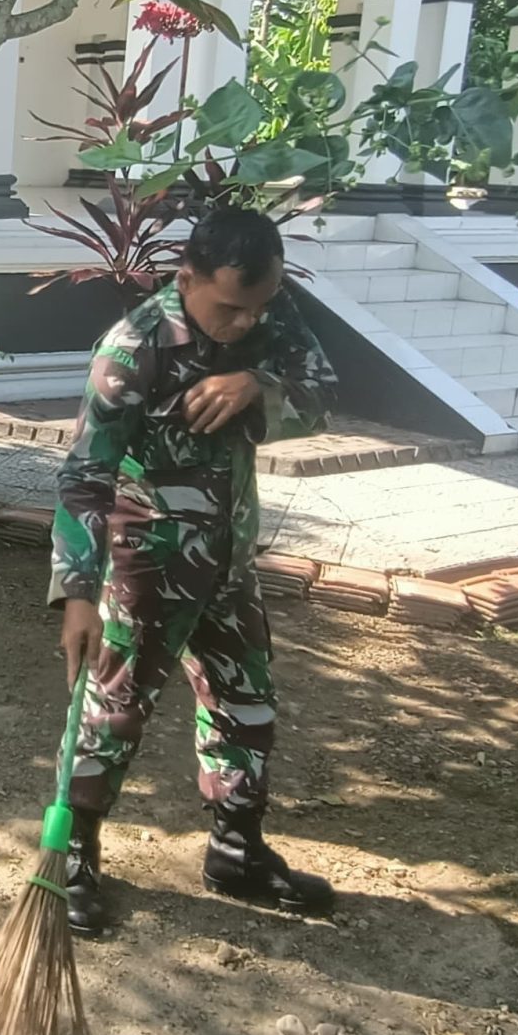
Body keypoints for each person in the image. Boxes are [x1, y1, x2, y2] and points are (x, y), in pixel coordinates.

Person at [47, 206, 338, 931]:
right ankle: (74, 855)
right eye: (230, 308)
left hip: (231, 558)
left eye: (259, 307)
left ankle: (236, 849)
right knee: (113, 711)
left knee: (246, 701)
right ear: (186, 278)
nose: (245, 322)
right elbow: (86, 476)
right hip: (147, 565)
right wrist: (77, 593)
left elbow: (323, 395)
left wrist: (257, 385)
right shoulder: (132, 351)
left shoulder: (264, 307)